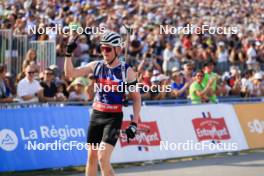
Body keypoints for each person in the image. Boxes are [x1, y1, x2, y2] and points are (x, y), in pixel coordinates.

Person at [64, 31, 141, 176]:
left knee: (103, 158)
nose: (104, 52)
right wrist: (68, 53)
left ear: (118, 49)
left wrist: (134, 123)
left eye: (108, 49)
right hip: (97, 115)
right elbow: (70, 74)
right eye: (102, 48)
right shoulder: (96, 65)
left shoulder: (126, 71)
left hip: (113, 118)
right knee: (91, 157)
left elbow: (136, 98)